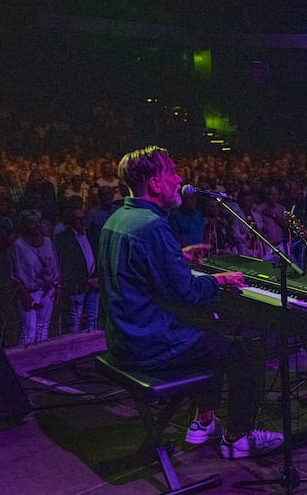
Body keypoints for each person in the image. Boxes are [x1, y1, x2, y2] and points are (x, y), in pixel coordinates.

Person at [98, 145, 282, 459]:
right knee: (245, 349)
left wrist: (176, 257)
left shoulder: (121, 219)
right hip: (152, 344)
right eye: (172, 172)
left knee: (212, 329)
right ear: (155, 184)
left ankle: (203, 421)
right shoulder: (153, 226)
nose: (179, 178)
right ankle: (239, 437)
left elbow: (139, 271)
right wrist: (222, 279)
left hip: (124, 339)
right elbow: (187, 293)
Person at [10, 209, 61, 345]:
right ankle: (23, 363)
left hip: (48, 290)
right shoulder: (19, 245)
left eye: (38, 222)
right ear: (25, 225)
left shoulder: (48, 242)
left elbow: (55, 264)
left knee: (43, 327)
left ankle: (41, 362)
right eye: (32, 223)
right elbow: (15, 272)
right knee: (29, 331)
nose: (36, 226)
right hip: (29, 292)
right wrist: (23, 293)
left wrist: (57, 286)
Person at [55, 204, 99, 334]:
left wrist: (97, 277)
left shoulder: (91, 234)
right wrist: (83, 280)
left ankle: (92, 349)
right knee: (75, 321)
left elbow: (97, 257)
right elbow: (66, 264)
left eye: (83, 218)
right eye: (77, 218)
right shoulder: (63, 238)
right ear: (71, 220)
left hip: (94, 284)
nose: (82, 221)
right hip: (76, 286)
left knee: (93, 318)